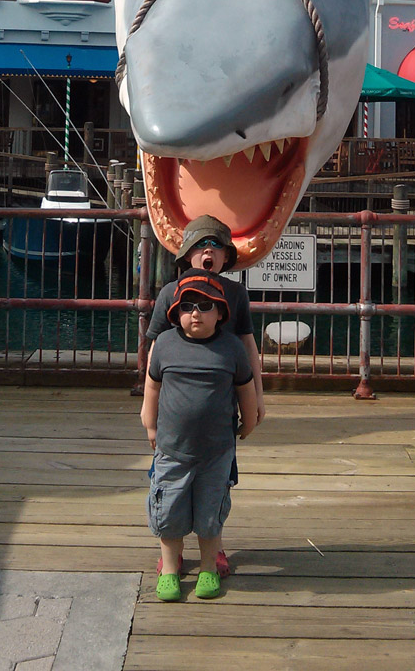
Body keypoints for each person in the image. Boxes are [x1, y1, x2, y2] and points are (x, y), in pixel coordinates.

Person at [145, 213, 266, 579]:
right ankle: (173, 554)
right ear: (186, 255)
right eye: (200, 245)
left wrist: (257, 397)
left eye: (215, 246)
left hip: (222, 402)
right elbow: (156, 349)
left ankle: (216, 548)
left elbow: (247, 344)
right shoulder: (171, 293)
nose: (207, 252)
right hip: (175, 410)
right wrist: (149, 407)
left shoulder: (236, 295)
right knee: (169, 482)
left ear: (227, 256)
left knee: (217, 480)